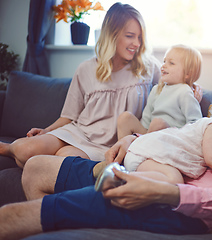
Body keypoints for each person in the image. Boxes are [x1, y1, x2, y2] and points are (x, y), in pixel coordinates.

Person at [0, 39, 212, 239]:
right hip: (161, 165)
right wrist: (134, 141)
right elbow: (192, 134)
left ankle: (64, 213)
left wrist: (164, 192)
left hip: (177, 202)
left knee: (15, 216)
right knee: (36, 168)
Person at [0, 2, 161, 168]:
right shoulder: (86, 69)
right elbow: (69, 116)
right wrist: (46, 130)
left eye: (140, 37)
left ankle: (23, 158)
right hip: (79, 132)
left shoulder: (148, 68)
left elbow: (171, 93)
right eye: (130, 36)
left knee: (61, 160)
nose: (137, 43)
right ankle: (8, 148)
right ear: (112, 34)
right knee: (26, 150)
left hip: (107, 146)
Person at [113, 87, 212, 185]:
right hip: (147, 156)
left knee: (173, 180)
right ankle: (121, 178)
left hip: (151, 158)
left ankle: (126, 177)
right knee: (174, 181)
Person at [117, 44, 203, 140]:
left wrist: (180, 135)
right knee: (125, 117)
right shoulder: (156, 89)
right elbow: (146, 118)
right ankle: (124, 150)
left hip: (172, 138)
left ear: (188, 73)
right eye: (164, 61)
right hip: (149, 134)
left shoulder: (185, 91)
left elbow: (196, 123)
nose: (163, 66)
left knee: (158, 123)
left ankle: (140, 147)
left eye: (171, 63)